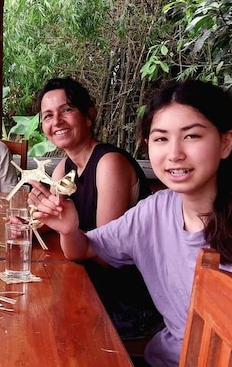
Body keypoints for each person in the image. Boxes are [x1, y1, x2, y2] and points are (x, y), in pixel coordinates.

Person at [29, 79, 232, 367]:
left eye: (192, 136)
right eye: (161, 139)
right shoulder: (157, 210)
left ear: (226, 143)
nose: (174, 153)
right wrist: (69, 230)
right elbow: (86, 248)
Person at [36, 77, 162, 341]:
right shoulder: (64, 167)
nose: (56, 121)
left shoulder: (109, 163)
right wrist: (30, 223)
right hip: (87, 281)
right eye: (48, 115)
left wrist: (65, 228)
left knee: (41, 323)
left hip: (124, 299)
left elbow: (106, 255)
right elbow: (54, 222)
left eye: (66, 110)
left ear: (89, 116)